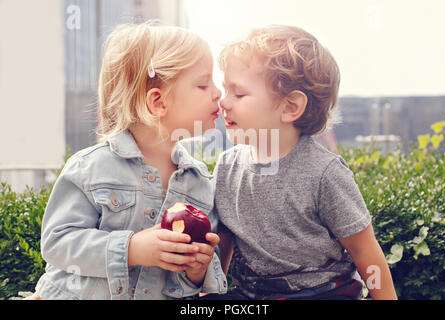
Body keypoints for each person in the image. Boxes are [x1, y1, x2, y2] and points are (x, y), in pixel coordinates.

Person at [31, 22, 227, 300]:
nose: (218, 93)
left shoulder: (200, 185)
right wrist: (132, 248)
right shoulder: (90, 168)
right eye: (203, 84)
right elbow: (57, 242)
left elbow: (194, 280)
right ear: (158, 102)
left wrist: (197, 268)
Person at [211, 25, 397, 300]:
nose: (223, 101)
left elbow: (365, 251)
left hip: (321, 292)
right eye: (225, 89)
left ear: (290, 107)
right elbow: (223, 246)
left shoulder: (324, 173)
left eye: (238, 94)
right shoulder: (227, 167)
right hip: (253, 294)